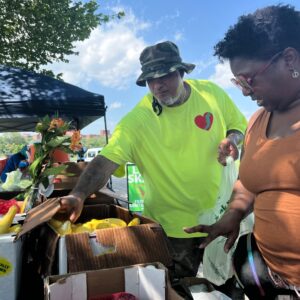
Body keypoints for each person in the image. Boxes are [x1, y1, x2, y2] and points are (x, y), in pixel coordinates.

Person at [58, 41, 247, 279]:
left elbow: (238, 125)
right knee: (178, 287)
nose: (158, 85)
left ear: (181, 72)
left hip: (222, 217)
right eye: (150, 80)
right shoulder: (137, 120)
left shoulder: (211, 93)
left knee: (228, 285)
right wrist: (79, 194)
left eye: (165, 76)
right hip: (173, 229)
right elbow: (107, 159)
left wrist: (232, 139)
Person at [185, 5, 300, 299]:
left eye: (249, 79)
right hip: (269, 279)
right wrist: (233, 214)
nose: (246, 91)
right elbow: (249, 182)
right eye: (239, 83)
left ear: (289, 59)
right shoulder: (257, 121)